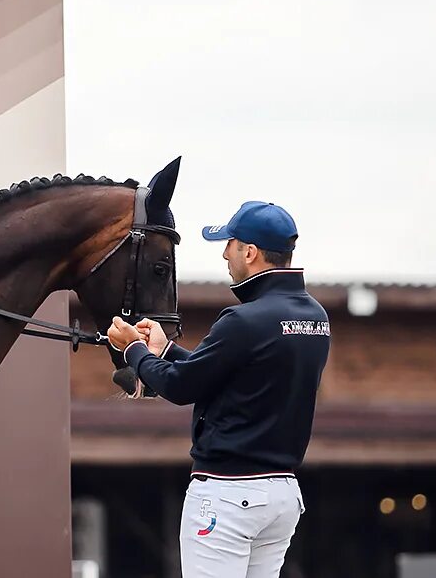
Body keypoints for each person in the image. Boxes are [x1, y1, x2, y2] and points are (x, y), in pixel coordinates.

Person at [107, 201, 330, 578]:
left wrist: (134, 349)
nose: (225, 253)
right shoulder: (315, 317)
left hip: (228, 494)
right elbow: (227, 371)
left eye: (230, 243)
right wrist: (165, 350)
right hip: (282, 494)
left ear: (250, 252)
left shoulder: (242, 320)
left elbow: (179, 387)